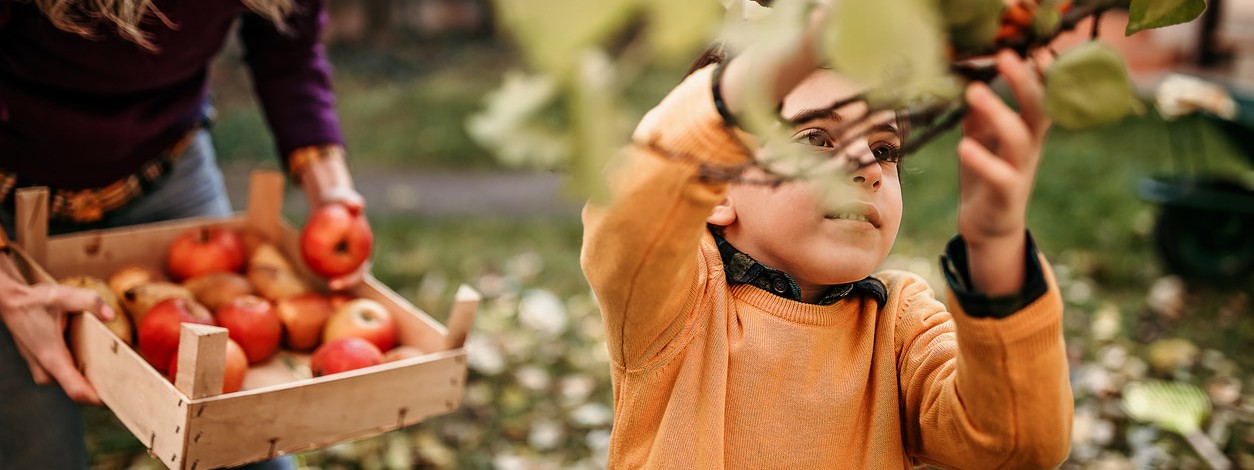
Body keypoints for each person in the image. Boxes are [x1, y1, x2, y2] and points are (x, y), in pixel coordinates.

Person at [579, 6, 1073, 469]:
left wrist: (995, 248)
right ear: (716, 185)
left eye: (884, 147)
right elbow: (633, 210)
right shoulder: (675, 307)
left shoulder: (899, 329)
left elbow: (1018, 444)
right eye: (816, 139)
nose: (866, 167)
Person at [0, 0, 368, 468]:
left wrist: (332, 193)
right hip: (7, 188)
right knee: (37, 449)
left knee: (244, 438)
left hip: (164, 165)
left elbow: (287, 46)